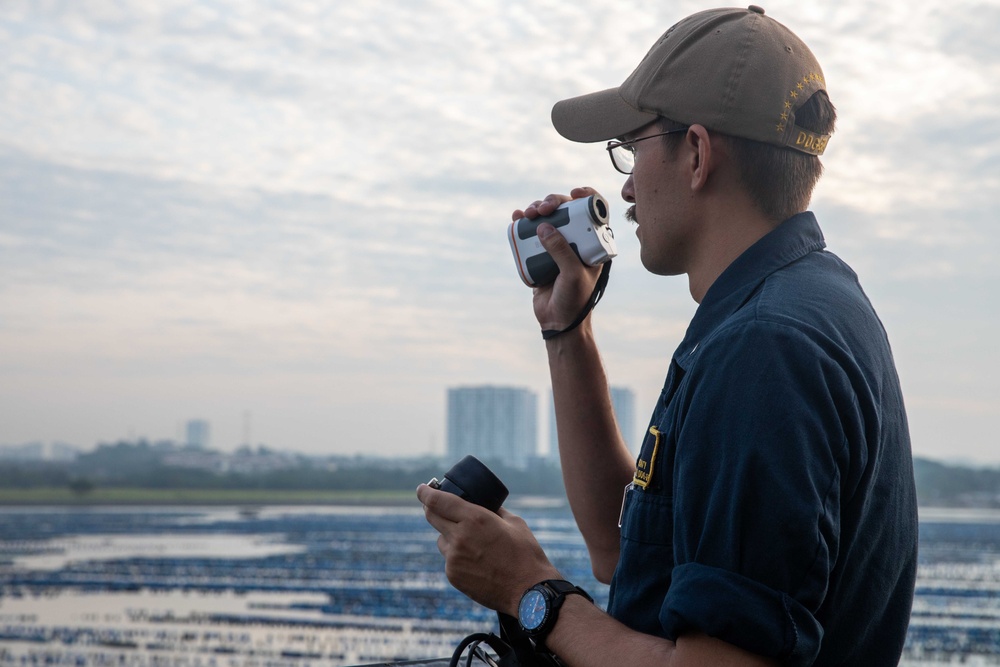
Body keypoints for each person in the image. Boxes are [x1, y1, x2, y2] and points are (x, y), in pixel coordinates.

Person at [418, 6, 918, 666]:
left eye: (633, 146)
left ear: (698, 154)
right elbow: (620, 547)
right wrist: (567, 326)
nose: (624, 186)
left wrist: (528, 591)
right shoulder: (804, 304)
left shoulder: (763, 350)